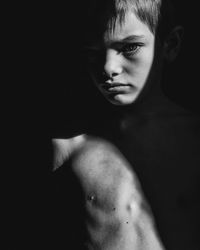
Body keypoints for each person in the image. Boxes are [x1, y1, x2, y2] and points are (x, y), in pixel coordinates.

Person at [51, 0, 200, 249]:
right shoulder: (67, 146)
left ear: (170, 44)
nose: (108, 68)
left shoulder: (194, 139)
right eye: (93, 53)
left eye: (130, 47)